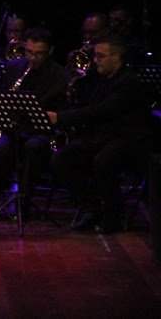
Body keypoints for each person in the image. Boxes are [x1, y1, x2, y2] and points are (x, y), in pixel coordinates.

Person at [48, 36, 154, 233]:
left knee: (103, 161)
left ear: (116, 57)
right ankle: (91, 205)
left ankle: (113, 215)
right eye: (95, 56)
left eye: (100, 56)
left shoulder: (128, 81)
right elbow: (89, 106)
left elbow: (102, 111)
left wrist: (60, 117)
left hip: (129, 140)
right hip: (105, 137)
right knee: (61, 158)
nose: (95, 60)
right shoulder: (101, 78)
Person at [0, 27, 72, 220]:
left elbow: (60, 112)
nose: (33, 58)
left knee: (33, 147)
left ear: (50, 52)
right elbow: (2, 97)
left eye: (39, 54)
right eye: (29, 52)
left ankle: (23, 203)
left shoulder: (60, 76)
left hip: (40, 131)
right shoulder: (15, 67)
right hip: (14, 127)